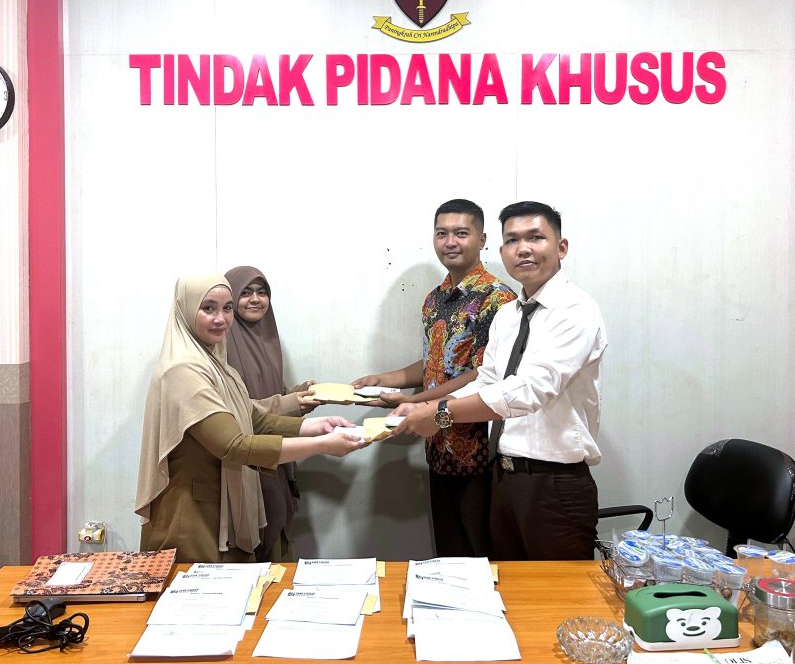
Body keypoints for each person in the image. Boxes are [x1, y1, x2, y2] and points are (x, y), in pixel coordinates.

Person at [392, 201, 607, 560]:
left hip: (554, 483)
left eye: (535, 237)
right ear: (502, 249)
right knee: (500, 586)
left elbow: (530, 390)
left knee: (553, 594)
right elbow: (488, 379)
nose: (523, 249)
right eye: (512, 240)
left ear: (561, 247)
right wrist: (428, 406)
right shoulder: (508, 315)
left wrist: (440, 413)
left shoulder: (576, 310)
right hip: (503, 477)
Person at [135, 274, 369, 563]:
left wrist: (317, 426)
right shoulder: (183, 370)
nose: (220, 318)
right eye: (208, 308)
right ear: (186, 310)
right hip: (193, 519)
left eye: (227, 308)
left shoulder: (216, 365)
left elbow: (253, 418)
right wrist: (322, 445)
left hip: (221, 507)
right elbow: (234, 445)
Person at [352, 199, 515, 558]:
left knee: (480, 558)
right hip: (437, 446)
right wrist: (385, 379)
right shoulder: (434, 299)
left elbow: (482, 374)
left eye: (461, 233)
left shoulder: (498, 299)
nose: (450, 242)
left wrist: (415, 402)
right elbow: (434, 362)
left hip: (478, 452)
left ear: (482, 239)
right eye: (442, 233)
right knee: (447, 555)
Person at [224, 265, 315, 562]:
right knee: (255, 540)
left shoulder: (267, 339)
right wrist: (291, 404)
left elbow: (271, 390)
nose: (255, 299)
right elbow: (237, 409)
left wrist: (302, 393)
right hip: (245, 457)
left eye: (262, 292)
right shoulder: (220, 344)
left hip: (274, 454)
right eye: (246, 293)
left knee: (277, 543)